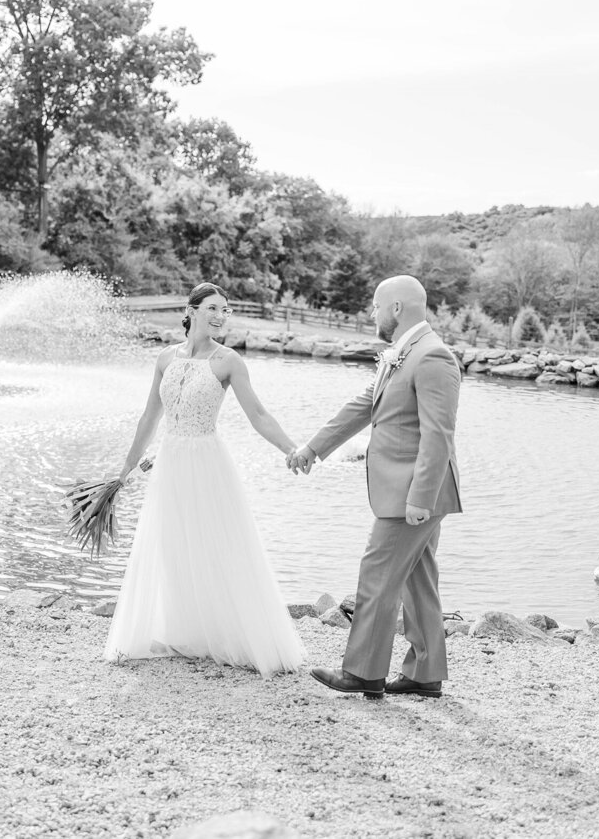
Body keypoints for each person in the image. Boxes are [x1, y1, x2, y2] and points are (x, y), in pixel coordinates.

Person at [103, 282, 306, 676]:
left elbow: (259, 415)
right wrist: (125, 469)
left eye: (226, 310)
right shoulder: (165, 358)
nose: (220, 316)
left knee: (216, 542)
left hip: (206, 461)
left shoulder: (229, 361)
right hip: (170, 462)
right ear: (192, 310)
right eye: (213, 308)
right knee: (172, 542)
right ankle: (185, 630)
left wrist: (292, 450)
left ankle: (231, 633)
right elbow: (150, 418)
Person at [287, 274, 462, 699]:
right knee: (416, 581)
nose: (371, 312)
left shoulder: (433, 356)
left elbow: (438, 435)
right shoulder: (401, 354)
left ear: (397, 309)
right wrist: (314, 448)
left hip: (413, 494)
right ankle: (424, 674)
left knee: (377, 576)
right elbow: (363, 407)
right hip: (408, 492)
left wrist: (420, 498)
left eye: (375, 305)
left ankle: (363, 673)